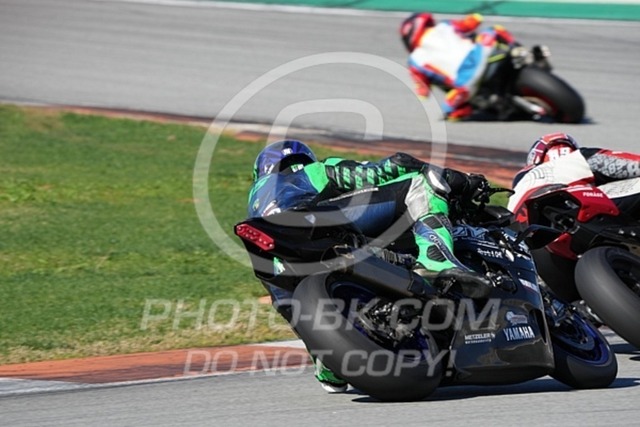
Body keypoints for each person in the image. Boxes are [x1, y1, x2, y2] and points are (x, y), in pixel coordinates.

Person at [247, 139, 493, 393]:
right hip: (312, 223)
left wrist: (327, 352)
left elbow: (290, 308)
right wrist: (448, 177)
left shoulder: (258, 211)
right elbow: (381, 170)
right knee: (419, 186)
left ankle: (327, 361)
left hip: (284, 263)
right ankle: (437, 260)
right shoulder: (309, 171)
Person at [400, 12, 518, 121]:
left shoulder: (414, 61)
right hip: (481, 52)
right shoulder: (444, 26)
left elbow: (423, 92)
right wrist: (475, 17)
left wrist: (423, 91)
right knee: (494, 30)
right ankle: (516, 49)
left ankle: (475, 106)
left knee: (449, 111)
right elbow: (470, 23)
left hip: (464, 82)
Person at [508, 132, 640, 217]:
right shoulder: (577, 159)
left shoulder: (521, 182)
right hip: (574, 215)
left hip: (526, 241)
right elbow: (634, 165)